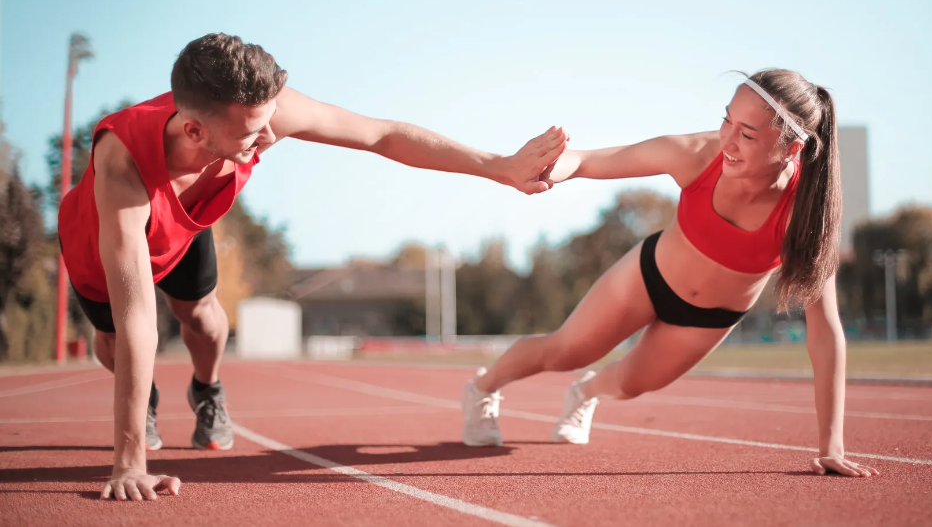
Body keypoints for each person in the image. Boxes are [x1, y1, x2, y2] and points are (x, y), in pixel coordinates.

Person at [57, 32, 569, 501]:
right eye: (252, 132)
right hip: (101, 242)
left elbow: (381, 135)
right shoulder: (123, 163)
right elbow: (138, 317)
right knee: (118, 341)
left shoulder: (264, 113)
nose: (269, 136)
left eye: (269, 120)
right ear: (194, 129)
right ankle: (144, 399)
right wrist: (129, 465)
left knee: (205, 320)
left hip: (185, 224)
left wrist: (497, 167)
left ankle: (206, 391)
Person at [460, 68, 880, 478]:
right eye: (726, 120)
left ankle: (584, 393)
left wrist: (831, 448)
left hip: (709, 318)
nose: (728, 140)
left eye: (748, 135)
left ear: (790, 149)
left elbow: (824, 330)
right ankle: (482, 388)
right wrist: (544, 169)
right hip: (648, 277)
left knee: (629, 384)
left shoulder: (804, 214)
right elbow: (587, 161)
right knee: (566, 351)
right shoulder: (697, 154)